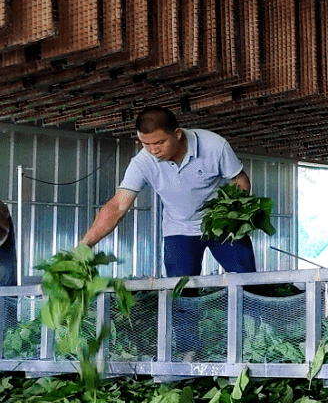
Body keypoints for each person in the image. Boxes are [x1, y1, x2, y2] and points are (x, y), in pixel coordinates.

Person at [80, 105, 257, 277]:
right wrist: (84, 246)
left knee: (246, 282)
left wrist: (232, 217)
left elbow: (241, 181)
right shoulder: (142, 162)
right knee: (180, 292)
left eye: (159, 142)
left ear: (177, 134)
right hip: (179, 228)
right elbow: (117, 206)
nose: (153, 150)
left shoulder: (214, 146)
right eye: (146, 144)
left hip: (221, 224)